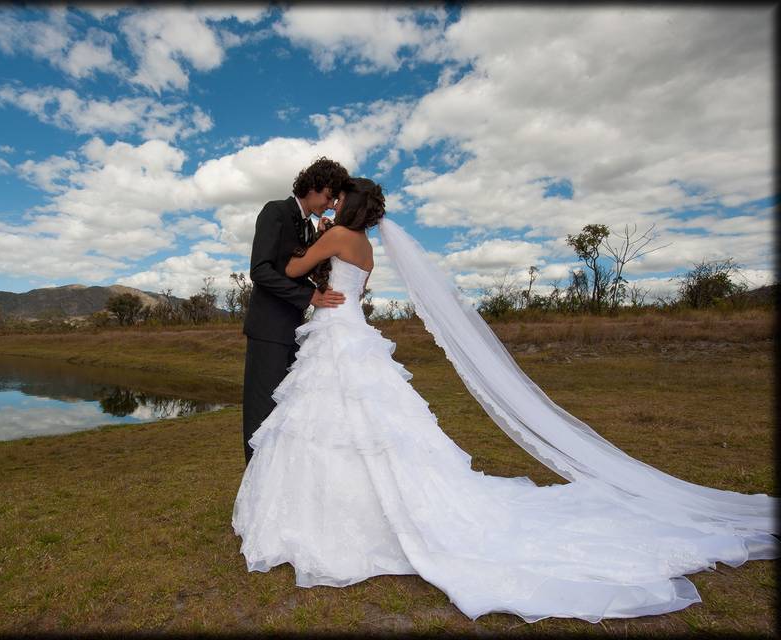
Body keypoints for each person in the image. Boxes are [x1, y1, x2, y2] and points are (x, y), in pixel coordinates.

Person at [232, 177, 778, 623]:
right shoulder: (368, 247)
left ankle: (330, 519)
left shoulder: (333, 239)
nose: (334, 201)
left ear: (348, 204)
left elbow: (292, 270)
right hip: (349, 327)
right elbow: (352, 284)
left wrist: (313, 244)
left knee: (331, 423)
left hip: (335, 332)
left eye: (340, 197)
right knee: (365, 425)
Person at [241, 157, 353, 465]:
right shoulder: (275, 212)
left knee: (286, 411)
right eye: (329, 197)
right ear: (315, 186)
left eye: (334, 200)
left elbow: (301, 268)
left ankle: (276, 483)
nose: (330, 205)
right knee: (261, 413)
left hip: (293, 331)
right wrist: (309, 297)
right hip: (267, 331)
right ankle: (254, 490)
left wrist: (321, 239)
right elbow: (260, 270)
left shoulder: (308, 226)